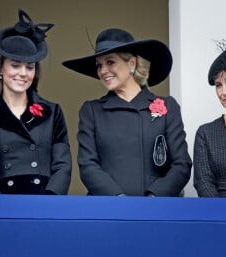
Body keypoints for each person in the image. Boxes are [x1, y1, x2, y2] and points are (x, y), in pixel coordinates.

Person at [62, 28, 192, 196]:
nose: (102, 71)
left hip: (157, 210)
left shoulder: (168, 106)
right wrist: (119, 200)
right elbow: (88, 166)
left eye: (110, 62)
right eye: (99, 65)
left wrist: (154, 198)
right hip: (109, 210)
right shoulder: (92, 111)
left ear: (132, 63)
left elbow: (181, 164)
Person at [0, 9, 72, 195]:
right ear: (0, 69)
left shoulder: (52, 112)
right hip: (3, 205)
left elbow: (63, 165)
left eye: (29, 67)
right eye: (15, 65)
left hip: (45, 203)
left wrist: (49, 199)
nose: (23, 73)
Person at [193, 32, 226, 197]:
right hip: (220, 214)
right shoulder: (206, 133)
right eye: (218, 85)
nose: (223, 92)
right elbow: (203, 182)